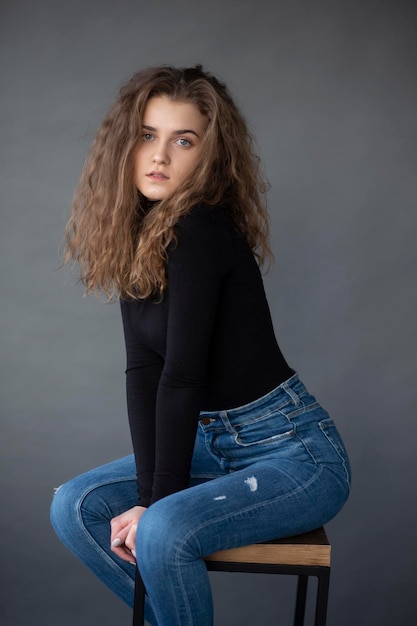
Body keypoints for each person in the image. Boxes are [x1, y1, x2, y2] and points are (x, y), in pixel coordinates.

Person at [50, 64, 351, 626]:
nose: (160, 155)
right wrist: (147, 491)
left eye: (182, 140)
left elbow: (181, 375)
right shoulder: (136, 236)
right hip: (212, 443)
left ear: (207, 157)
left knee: (161, 527)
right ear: (125, 147)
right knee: (75, 508)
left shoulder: (199, 229)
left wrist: (153, 502)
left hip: (294, 453)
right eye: (148, 135)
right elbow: (142, 369)